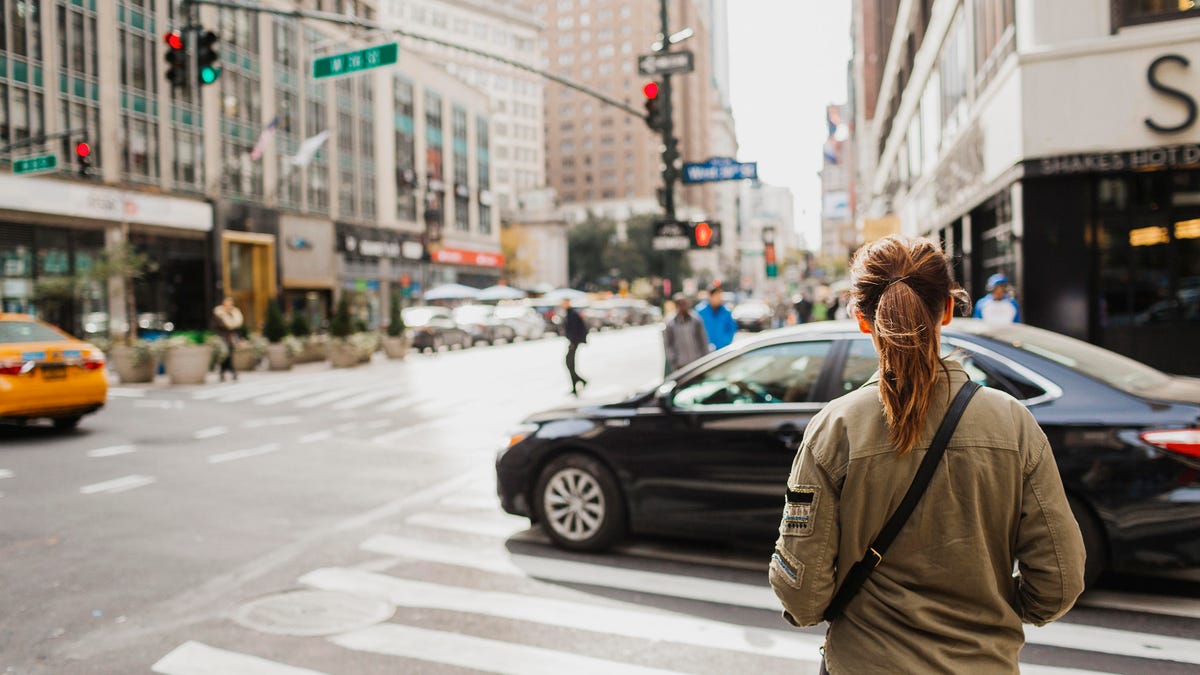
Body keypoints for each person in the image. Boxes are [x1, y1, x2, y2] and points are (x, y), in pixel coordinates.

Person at [768, 235, 1085, 673]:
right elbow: (1059, 582)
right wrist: (989, 607)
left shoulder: (835, 428)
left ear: (861, 319)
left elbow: (802, 595)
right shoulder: (1012, 423)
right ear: (949, 308)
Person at [662, 295, 710, 375]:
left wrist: (705, 357)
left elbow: (703, 339)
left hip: (697, 361)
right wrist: (674, 361)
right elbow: (668, 344)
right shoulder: (670, 323)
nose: (683, 307)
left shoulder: (696, 319)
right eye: (680, 304)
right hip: (680, 364)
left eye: (684, 304)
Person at [696, 285, 738, 350]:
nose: (719, 299)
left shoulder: (726, 312)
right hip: (705, 349)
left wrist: (726, 341)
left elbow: (732, 328)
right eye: (716, 296)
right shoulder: (700, 311)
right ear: (710, 296)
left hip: (722, 349)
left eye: (720, 296)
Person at [212, 297, 244, 382]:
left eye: (230, 304)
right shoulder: (219, 314)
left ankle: (224, 372)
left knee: (229, 354)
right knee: (226, 354)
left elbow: (237, 328)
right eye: (227, 304)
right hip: (223, 338)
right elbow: (215, 327)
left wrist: (240, 337)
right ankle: (231, 371)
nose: (229, 306)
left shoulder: (235, 314)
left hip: (232, 338)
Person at [561, 298, 589, 395]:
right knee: (569, 364)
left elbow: (574, 329)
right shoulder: (570, 313)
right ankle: (577, 384)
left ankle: (580, 382)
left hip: (574, 343)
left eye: (564, 303)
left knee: (569, 363)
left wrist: (573, 342)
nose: (562, 304)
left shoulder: (572, 314)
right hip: (573, 342)